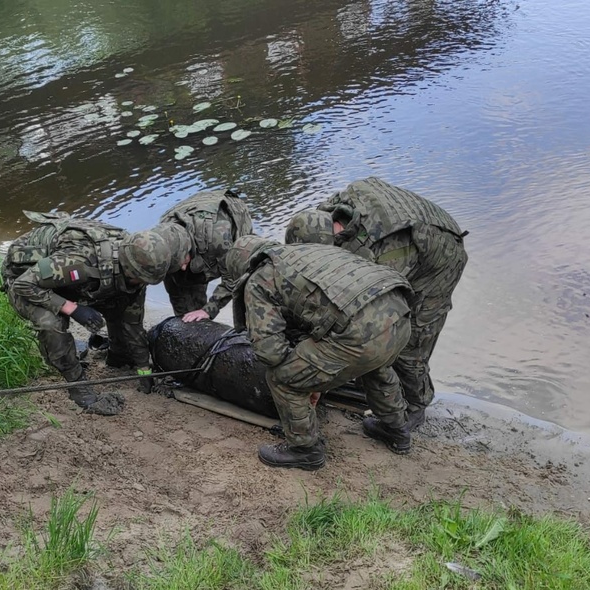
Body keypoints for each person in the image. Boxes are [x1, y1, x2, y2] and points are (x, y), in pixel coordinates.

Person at [284, 177, 468, 429]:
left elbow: (375, 311)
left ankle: (414, 407)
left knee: (409, 338)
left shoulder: (382, 252)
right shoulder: (320, 220)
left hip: (439, 254)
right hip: (407, 225)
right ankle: (372, 386)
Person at [226, 235, 415, 470]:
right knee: (376, 364)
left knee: (282, 378)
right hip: (400, 314)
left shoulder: (260, 277)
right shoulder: (305, 251)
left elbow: (269, 352)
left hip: (359, 333)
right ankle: (396, 430)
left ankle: (304, 449)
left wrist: (306, 378)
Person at [1, 211, 190, 415]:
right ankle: (76, 384)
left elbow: (132, 323)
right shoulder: (81, 262)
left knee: (121, 301)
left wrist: (144, 368)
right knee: (51, 323)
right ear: (130, 270)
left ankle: (117, 356)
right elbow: (24, 285)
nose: (144, 284)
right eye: (141, 280)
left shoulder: (137, 265)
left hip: (61, 279)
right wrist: (72, 309)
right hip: (24, 279)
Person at [157, 189, 254, 322]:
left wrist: (209, 309)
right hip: (192, 210)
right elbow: (175, 290)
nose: (183, 267)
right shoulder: (160, 245)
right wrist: (184, 315)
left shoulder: (219, 237)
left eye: (183, 261)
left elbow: (233, 278)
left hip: (232, 210)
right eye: (178, 264)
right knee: (183, 280)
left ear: (187, 248)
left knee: (246, 277)